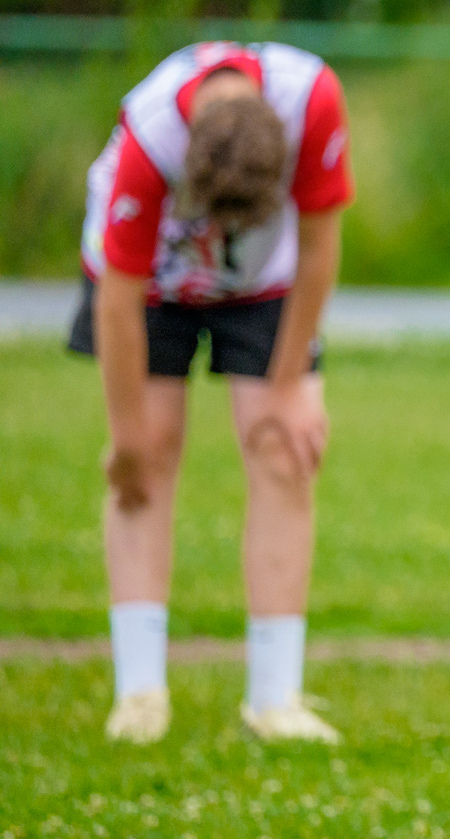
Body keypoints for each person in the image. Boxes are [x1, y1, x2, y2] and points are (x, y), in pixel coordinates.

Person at [71, 39, 353, 744]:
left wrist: (289, 387)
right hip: (152, 288)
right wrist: (126, 436)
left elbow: (319, 249)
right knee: (150, 455)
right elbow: (118, 299)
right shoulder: (147, 136)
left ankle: (274, 699)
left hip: (266, 285)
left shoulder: (312, 98)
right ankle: (140, 695)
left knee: (285, 449)